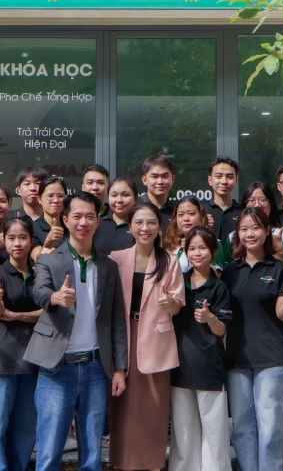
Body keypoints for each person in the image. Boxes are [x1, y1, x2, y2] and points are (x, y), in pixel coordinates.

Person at [23, 192, 128, 471]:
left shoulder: (108, 265)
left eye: (90, 216)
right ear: (65, 220)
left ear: (98, 221)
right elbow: (39, 291)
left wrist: (120, 368)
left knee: (92, 451)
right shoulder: (49, 259)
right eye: (77, 216)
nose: (84, 222)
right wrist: (55, 297)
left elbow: (117, 319)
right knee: (49, 450)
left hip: (96, 367)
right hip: (57, 368)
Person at [109, 202, 185, 471]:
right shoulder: (116, 258)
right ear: (129, 226)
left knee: (153, 408)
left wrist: (170, 304)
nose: (145, 228)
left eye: (151, 222)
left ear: (159, 227)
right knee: (122, 406)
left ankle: (153, 464)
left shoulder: (170, 260)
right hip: (123, 335)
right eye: (139, 222)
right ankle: (122, 463)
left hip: (156, 339)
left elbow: (178, 304)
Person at [222, 207, 283, 471]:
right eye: (244, 229)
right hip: (236, 359)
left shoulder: (279, 269)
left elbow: (281, 313)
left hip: (271, 358)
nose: (249, 234)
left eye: (255, 228)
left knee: (270, 427)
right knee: (242, 428)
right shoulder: (230, 271)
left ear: (266, 231)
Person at [169, 227, 232, 471]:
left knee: (214, 432)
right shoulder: (178, 283)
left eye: (203, 248)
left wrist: (210, 318)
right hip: (180, 367)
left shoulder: (219, 288)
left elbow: (221, 330)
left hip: (209, 368)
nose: (197, 253)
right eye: (192, 248)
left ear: (213, 251)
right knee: (183, 433)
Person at [0, 217, 42, 471]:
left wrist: (16, 315)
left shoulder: (41, 274)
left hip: (33, 360)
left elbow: (49, 311)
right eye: (11, 238)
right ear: (4, 241)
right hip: (1, 362)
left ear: (31, 241)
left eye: (23, 237)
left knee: (26, 430)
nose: (17, 243)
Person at [162, 196, 209, 273]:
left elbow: (217, 275)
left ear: (201, 216)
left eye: (191, 213)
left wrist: (191, 250)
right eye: (181, 214)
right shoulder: (170, 245)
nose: (186, 218)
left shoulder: (213, 242)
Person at [93, 176, 137, 255]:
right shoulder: (97, 223)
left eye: (125, 195)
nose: (119, 200)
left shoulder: (140, 226)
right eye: (114, 195)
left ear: (135, 198)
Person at [30, 176, 68, 259]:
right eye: (50, 196)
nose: (56, 200)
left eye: (60, 196)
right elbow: (38, 258)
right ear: (39, 199)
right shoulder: (32, 228)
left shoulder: (71, 225)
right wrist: (48, 241)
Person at [203, 156, 241, 240]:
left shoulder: (243, 213)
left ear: (236, 181)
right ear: (210, 180)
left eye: (230, 177)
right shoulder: (201, 213)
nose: (224, 181)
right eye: (218, 176)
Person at [139, 154, 176, 231]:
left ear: (172, 179)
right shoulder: (134, 208)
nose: (160, 182)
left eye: (165, 176)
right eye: (154, 177)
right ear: (144, 180)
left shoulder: (177, 212)